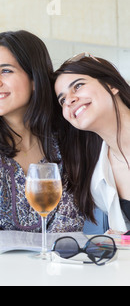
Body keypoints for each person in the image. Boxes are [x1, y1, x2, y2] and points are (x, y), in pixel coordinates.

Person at [0, 30, 84, 233]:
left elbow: (68, 227)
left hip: (54, 261)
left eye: (5, 71)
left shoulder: (67, 139)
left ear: (34, 79)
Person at [53, 53, 130, 232]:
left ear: (111, 85)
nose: (69, 100)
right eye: (62, 100)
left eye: (78, 86)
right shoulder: (98, 179)